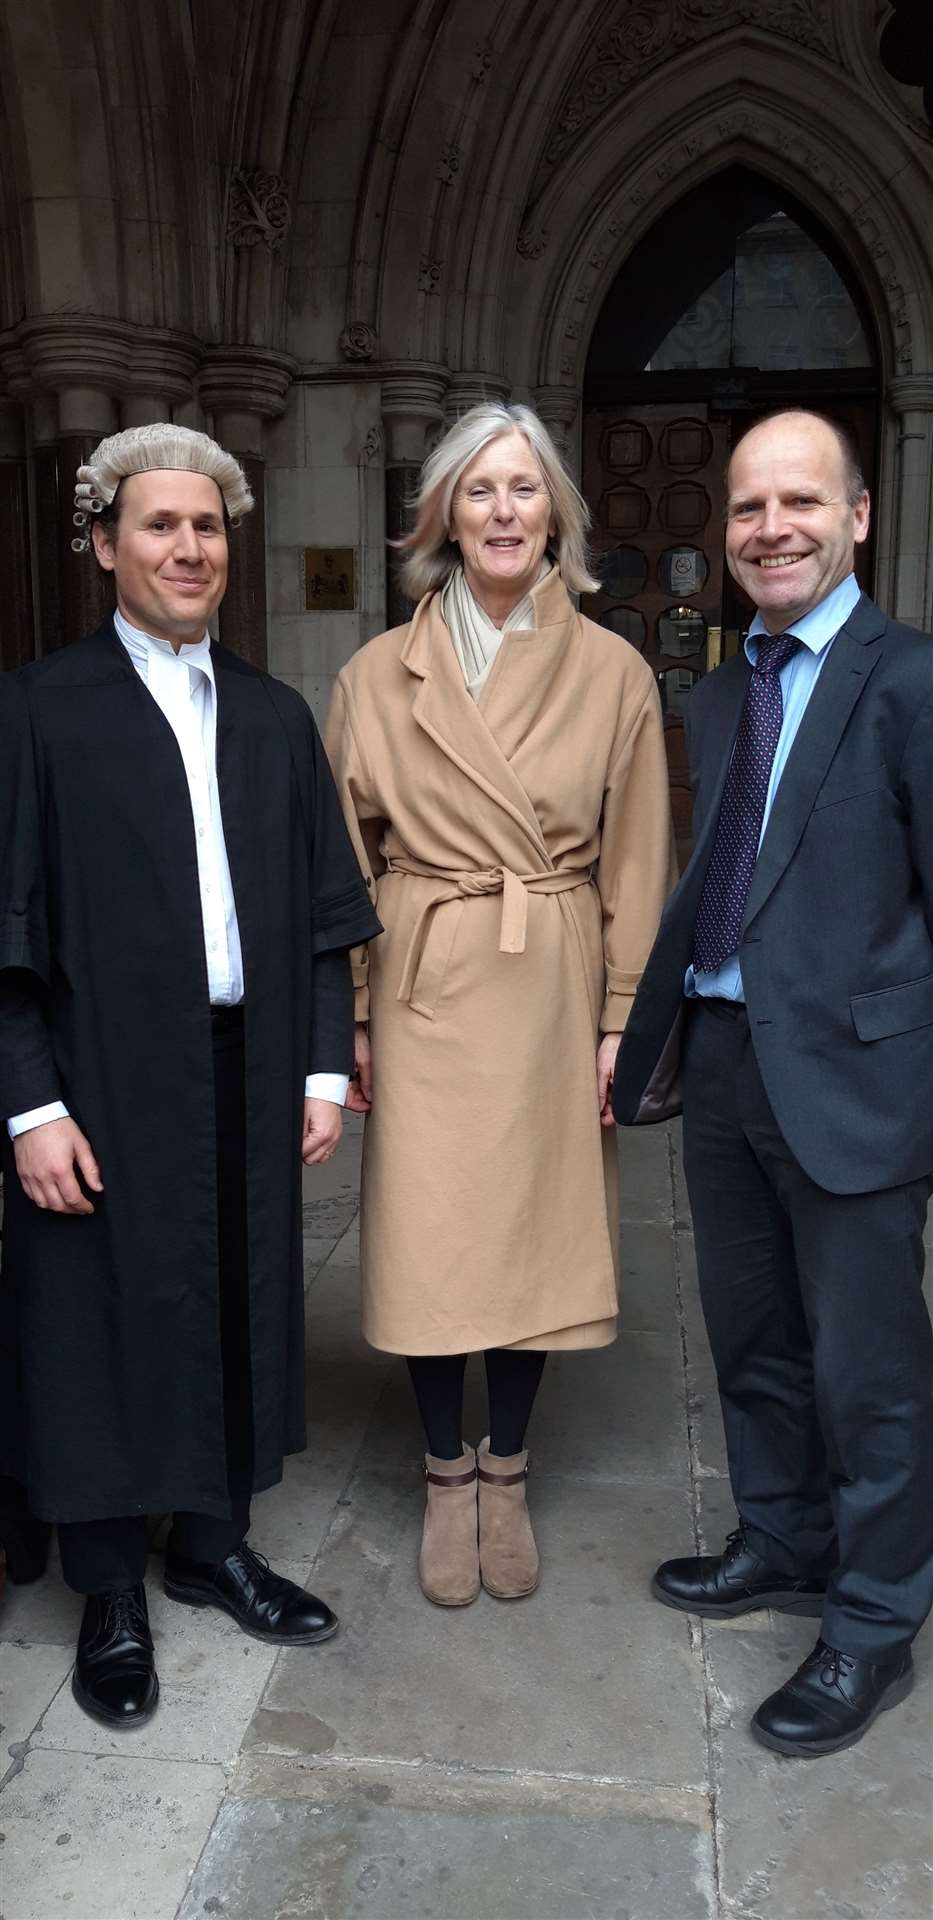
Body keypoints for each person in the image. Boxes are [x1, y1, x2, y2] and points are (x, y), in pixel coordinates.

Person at [0, 423, 380, 1727]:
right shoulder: (38, 710)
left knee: (233, 1301)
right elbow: (5, 930)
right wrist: (30, 1105)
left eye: (208, 525)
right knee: (98, 1321)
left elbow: (331, 917)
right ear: (104, 544)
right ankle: (109, 1587)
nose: (188, 547)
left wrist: (324, 1069)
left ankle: (212, 1544)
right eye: (158, 525)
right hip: (98, 1077)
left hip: (247, 1067)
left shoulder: (276, 719)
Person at [612, 407, 933, 1758]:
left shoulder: (910, 680)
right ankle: (784, 1537)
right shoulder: (720, 683)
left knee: (868, 1372)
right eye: (747, 508)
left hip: (854, 1080)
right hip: (728, 1054)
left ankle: (870, 1623)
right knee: (748, 1338)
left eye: (800, 502)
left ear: (858, 516)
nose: (769, 529)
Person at [325, 402, 674, 1607]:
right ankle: (442, 1475)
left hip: (552, 979)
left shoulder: (615, 670)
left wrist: (622, 1019)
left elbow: (637, 858)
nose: (504, 512)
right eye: (478, 491)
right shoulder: (378, 673)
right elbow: (341, 860)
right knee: (433, 1230)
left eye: (525, 489)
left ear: (558, 514)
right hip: (427, 972)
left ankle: (508, 1473)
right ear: (442, 517)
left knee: (529, 1227)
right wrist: (355, 1011)